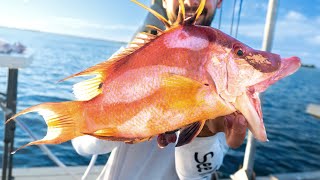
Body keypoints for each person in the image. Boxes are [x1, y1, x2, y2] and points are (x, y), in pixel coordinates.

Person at [72, 0, 248, 179]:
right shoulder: (130, 57)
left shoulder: (229, 72)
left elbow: (195, 174)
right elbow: (81, 144)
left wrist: (205, 136)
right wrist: (122, 121)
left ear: (219, 2)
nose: (191, 1)